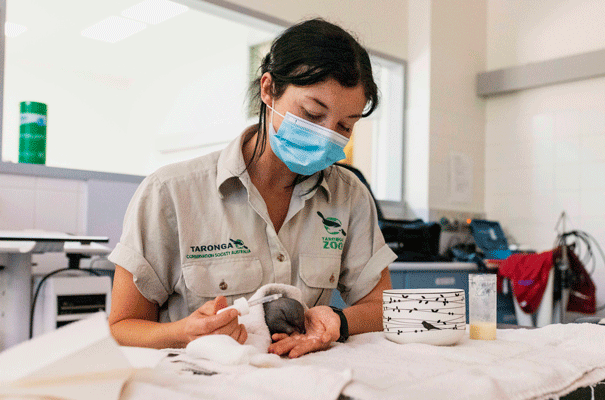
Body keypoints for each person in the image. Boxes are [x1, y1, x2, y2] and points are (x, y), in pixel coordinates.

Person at [107, 18, 397, 358]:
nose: (325, 136)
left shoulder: (349, 196)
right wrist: (184, 332)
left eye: (344, 127)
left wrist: (338, 320)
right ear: (268, 89)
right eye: (312, 113)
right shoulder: (170, 193)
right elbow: (121, 327)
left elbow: (383, 307)